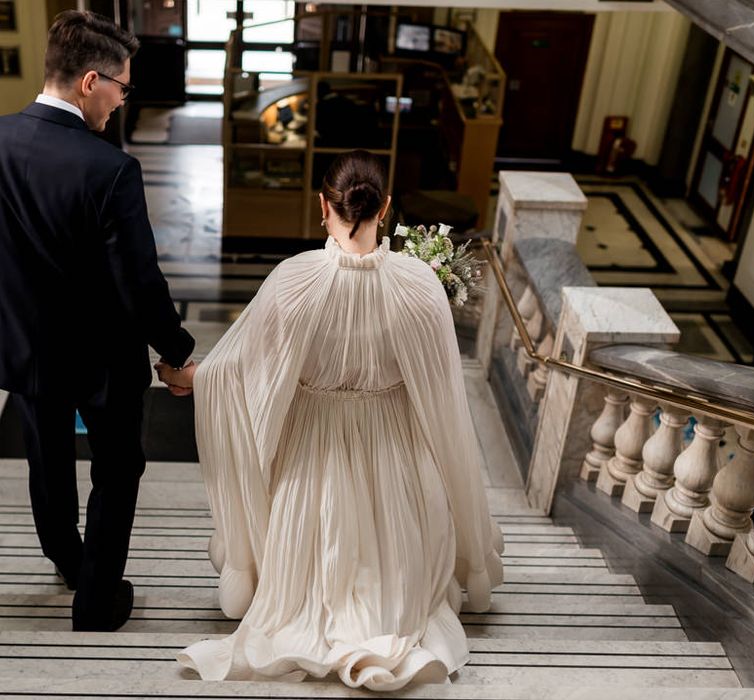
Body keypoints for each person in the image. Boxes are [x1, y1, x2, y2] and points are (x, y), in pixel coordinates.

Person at [156, 150, 502, 691]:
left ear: (323, 207)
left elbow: (247, 368)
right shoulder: (419, 286)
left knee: (310, 565)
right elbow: (441, 393)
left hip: (310, 452)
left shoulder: (294, 282)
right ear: (384, 209)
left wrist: (194, 378)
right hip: (395, 453)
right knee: (391, 557)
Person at [0, 11, 194, 631]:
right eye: (121, 85)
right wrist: (177, 348)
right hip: (101, 358)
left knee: (46, 462)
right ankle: (95, 601)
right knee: (117, 471)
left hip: (24, 346)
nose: (122, 98)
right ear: (90, 81)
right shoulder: (110, 169)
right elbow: (137, 282)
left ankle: (69, 560)